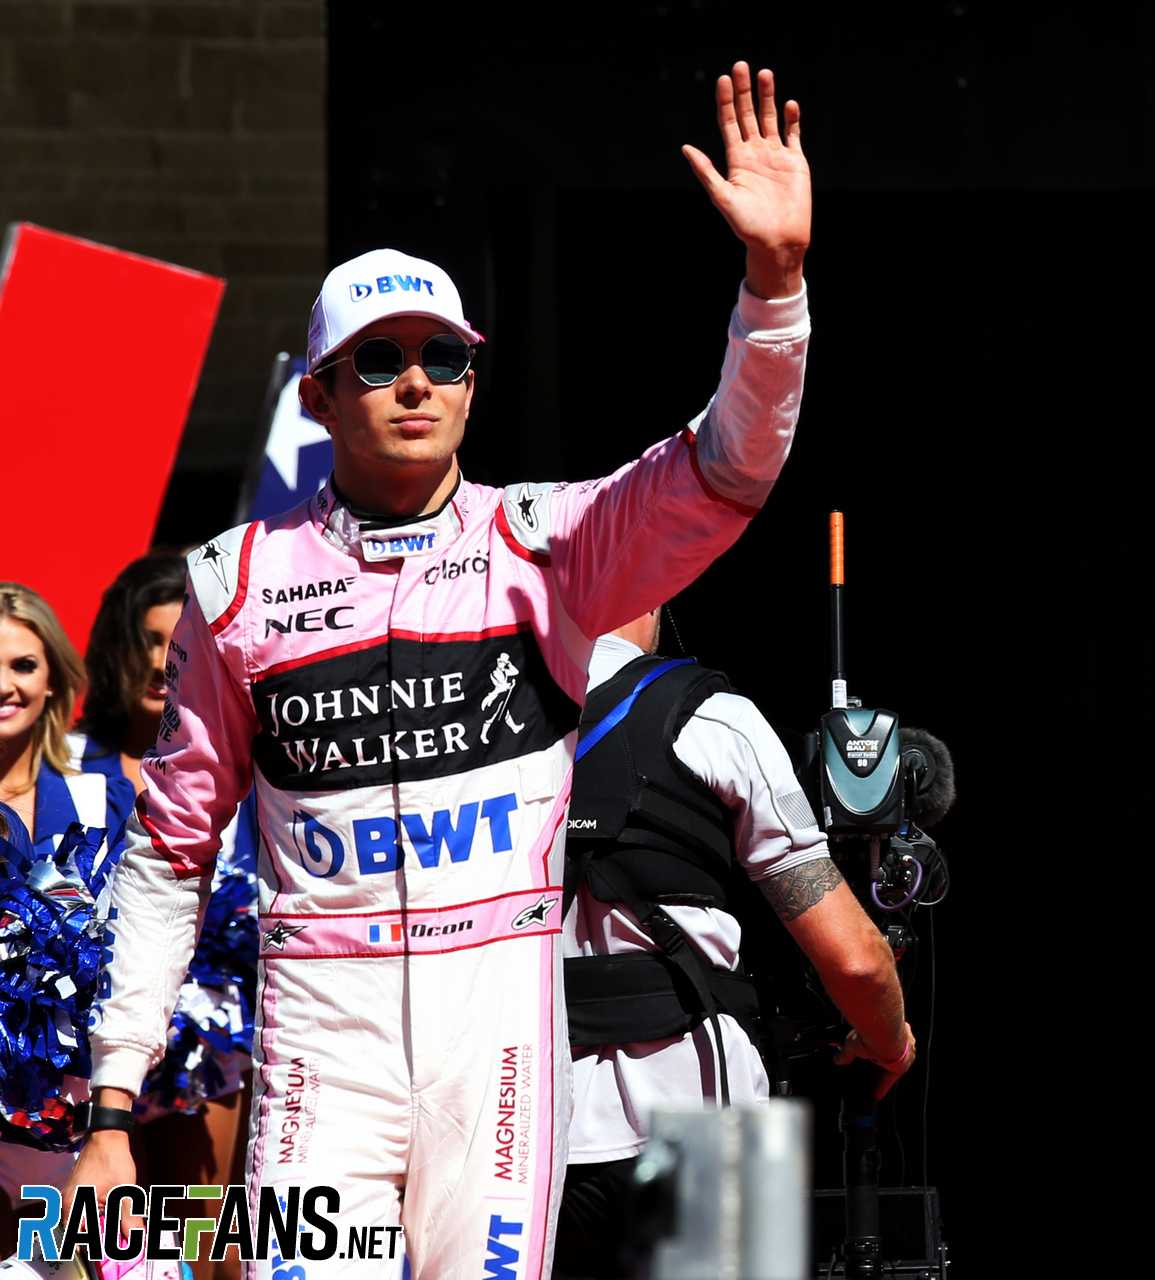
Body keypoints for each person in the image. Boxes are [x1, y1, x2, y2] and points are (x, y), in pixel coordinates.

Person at [68, 61, 813, 1280]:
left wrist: (773, 288)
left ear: (473, 378)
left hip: (499, 1040)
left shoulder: (548, 542)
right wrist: (110, 1103)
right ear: (316, 394)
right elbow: (168, 854)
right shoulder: (228, 582)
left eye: (443, 356)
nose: (415, 380)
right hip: (319, 1036)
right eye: (376, 360)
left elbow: (728, 474)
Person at [552, 607, 912, 1278]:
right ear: (653, 589)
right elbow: (858, 962)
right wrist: (888, 1042)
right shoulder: (713, 718)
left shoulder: (476, 732)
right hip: (704, 1127)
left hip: (510, 1132)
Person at [71, 553, 258, 1280]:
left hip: (212, 1046)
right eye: (149, 641)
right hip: (82, 1054)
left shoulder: (251, 768)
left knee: (207, 1240)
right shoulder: (61, 763)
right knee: (92, 1246)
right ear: (116, 649)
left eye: (181, 642)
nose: (163, 662)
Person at [0, 584, 133, 1239]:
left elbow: (130, 948)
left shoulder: (100, 798)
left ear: (53, 679)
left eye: (23, 665)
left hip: (71, 1117)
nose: (4, 685)